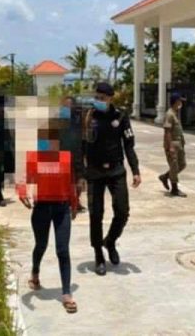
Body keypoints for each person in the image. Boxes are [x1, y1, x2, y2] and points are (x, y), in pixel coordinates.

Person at [17, 125, 78, 314]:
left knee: (63, 250)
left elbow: (71, 182)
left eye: (51, 141)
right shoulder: (33, 158)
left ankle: (66, 293)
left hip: (62, 209)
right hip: (41, 208)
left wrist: (74, 203)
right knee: (41, 245)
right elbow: (22, 178)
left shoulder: (65, 158)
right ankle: (35, 272)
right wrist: (22, 193)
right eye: (42, 142)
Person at [83, 82, 141, 276]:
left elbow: (129, 145)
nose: (98, 100)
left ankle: (110, 241)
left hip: (116, 170)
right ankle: (98, 254)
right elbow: (80, 145)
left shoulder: (121, 116)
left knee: (122, 212)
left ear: (110, 98)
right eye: (96, 97)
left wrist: (135, 170)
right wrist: (79, 174)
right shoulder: (89, 116)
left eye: (102, 98)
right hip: (94, 172)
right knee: (95, 214)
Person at [59, 96, 86, 212]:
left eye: (70, 105)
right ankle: (66, 201)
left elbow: (83, 134)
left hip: (77, 153)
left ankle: (76, 201)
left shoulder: (78, 118)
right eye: (65, 105)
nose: (68, 107)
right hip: (62, 153)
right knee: (64, 180)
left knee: (79, 178)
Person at [159, 92, 187, 197]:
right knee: (174, 166)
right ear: (176, 101)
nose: (181, 103)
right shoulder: (169, 114)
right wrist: (170, 146)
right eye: (180, 101)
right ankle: (174, 189)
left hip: (178, 144)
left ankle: (165, 176)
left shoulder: (175, 113)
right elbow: (167, 131)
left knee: (182, 164)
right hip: (172, 144)